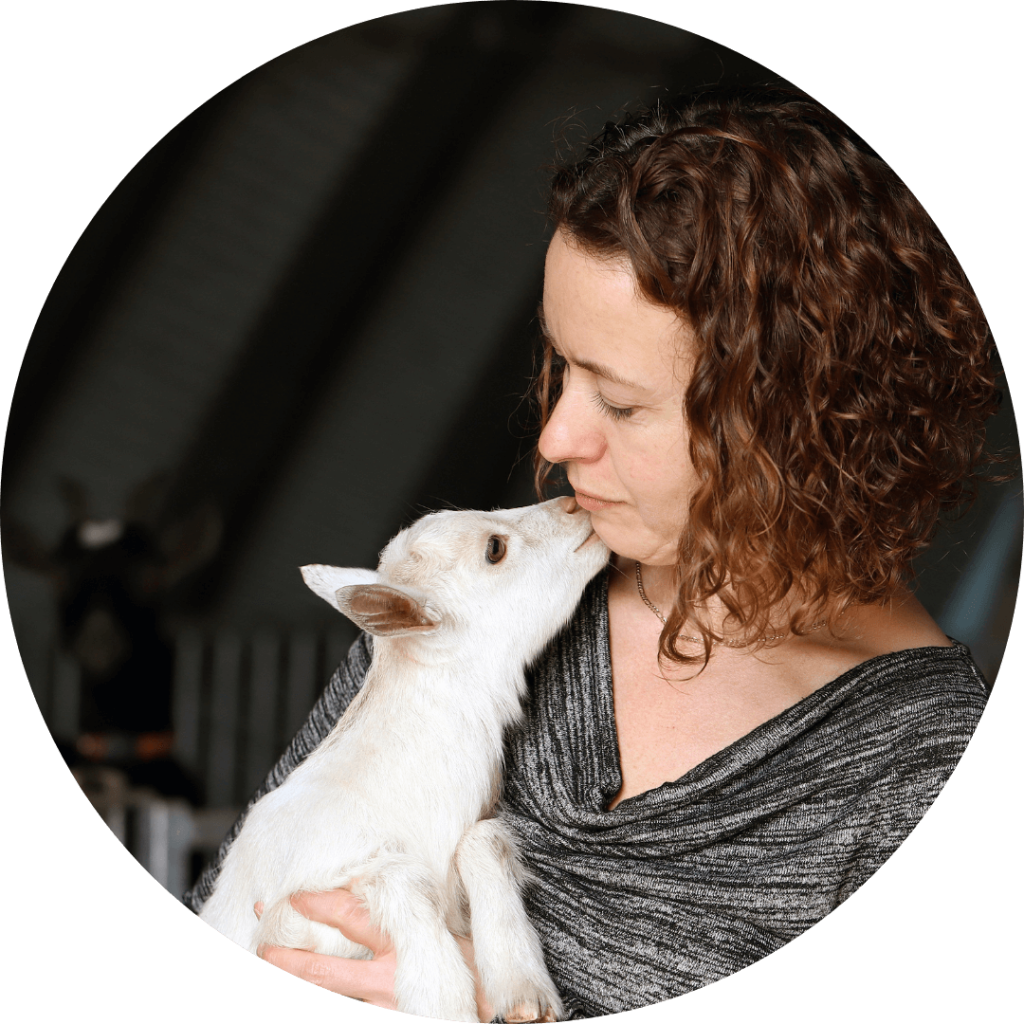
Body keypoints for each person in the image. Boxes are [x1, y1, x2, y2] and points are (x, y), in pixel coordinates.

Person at [185, 85, 1008, 1017]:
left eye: (618, 402)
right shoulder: (488, 601)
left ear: (787, 423)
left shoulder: (916, 767)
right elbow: (249, 900)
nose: (555, 438)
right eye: (559, 365)